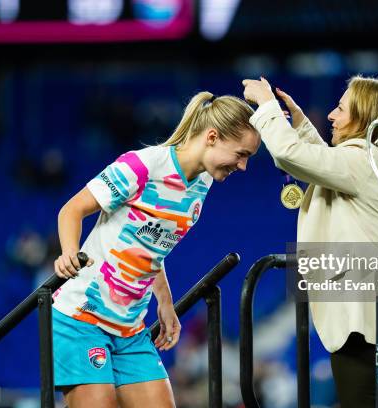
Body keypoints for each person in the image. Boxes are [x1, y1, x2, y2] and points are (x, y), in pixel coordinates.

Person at [51, 92, 260, 408]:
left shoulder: (203, 183)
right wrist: (69, 252)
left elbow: (153, 247)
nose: (243, 166)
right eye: (241, 154)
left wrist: (165, 302)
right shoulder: (143, 166)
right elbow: (72, 209)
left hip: (130, 329)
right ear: (213, 137)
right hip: (81, 318)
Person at [243, 75, 378, 407]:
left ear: (365, 118)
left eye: (340, 108)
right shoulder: (373, 162)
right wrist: (301, 124)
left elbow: (288, 155)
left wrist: (267, 104)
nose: (331, 116)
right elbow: (329, 169)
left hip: (360, 323)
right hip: (371, 316)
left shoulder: (364, 162)